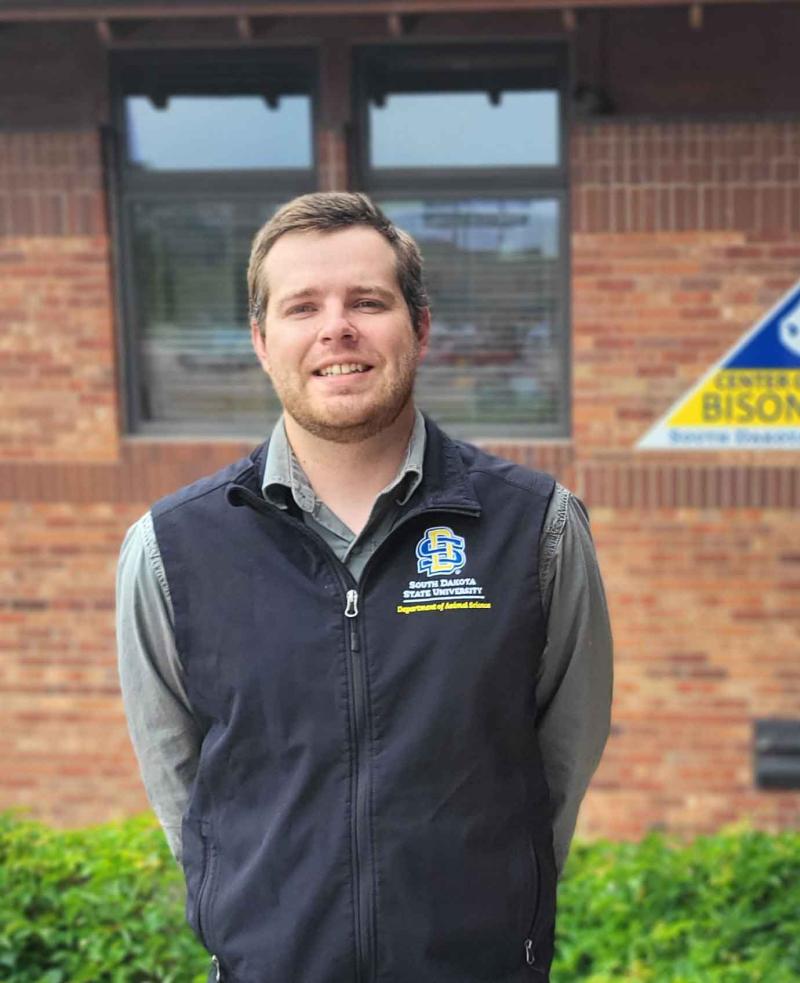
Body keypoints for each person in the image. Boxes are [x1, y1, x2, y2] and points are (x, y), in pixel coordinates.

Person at [116, 192, 613, 983]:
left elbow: (563, 759)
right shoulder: (169, 551)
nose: (335, 329)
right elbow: (182, 787)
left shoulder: (537, 530)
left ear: (419, 326)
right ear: (260, 340)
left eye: (368, 302)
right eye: (302, 306)